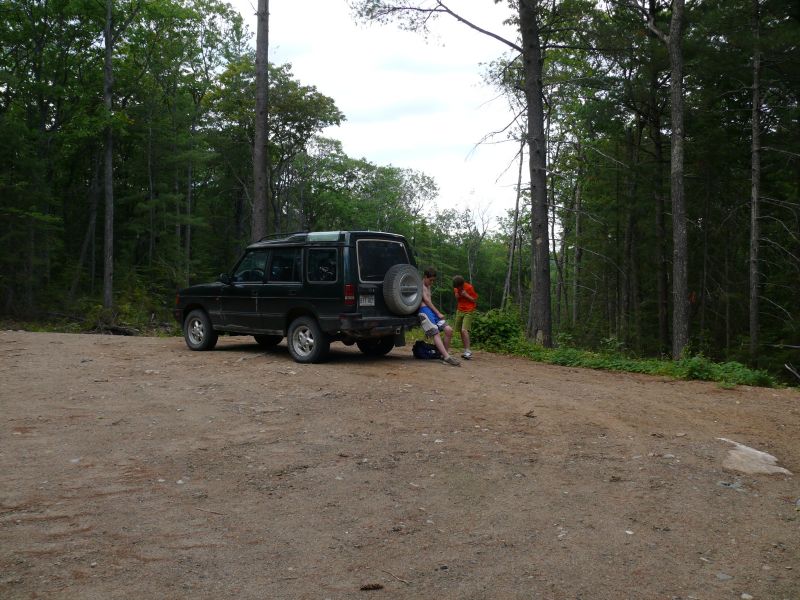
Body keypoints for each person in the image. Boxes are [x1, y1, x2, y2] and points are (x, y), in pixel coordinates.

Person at [418, 267, 460, 366]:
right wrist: (438, 313)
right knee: (435, 332)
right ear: (425, 277)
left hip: (431, 311)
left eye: (433, 280)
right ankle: (447, 357)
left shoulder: (428, 285)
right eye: (430, 280)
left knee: (449, 330)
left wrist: (436, 312)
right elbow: (426, 301)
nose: (432, 282)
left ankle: (443, 355)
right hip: (424, 310)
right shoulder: (420, 285)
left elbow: (430, 301)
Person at [452, 275, 478, 359]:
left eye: (458, 287)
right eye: (456, 287)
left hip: (469, 310)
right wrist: (457, 295)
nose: (457, 288)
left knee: (464, 330)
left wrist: (466, 295)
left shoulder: (469, 287)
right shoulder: (456, 288)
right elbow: (458, 298)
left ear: (462, 285)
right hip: (460, 310)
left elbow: (474, 300)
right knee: (460, 330)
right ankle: (466, 350)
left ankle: (468, 351)